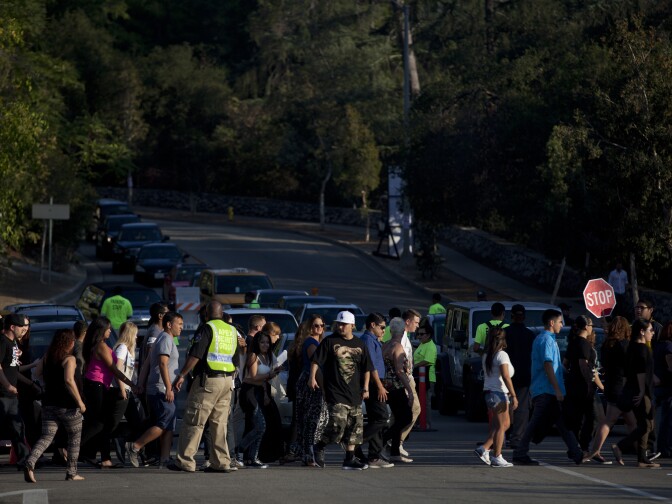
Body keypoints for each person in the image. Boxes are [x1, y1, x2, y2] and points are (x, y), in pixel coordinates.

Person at [168, 302, 239, 473]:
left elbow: (196, 355)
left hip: (208, 381)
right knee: (219, 423)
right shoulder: (231, 330)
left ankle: (185, 461)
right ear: (222, 314)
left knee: (195, 420)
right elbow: (236, 360)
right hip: (227, 381)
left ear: (207, 314)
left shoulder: (207, 328)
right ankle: (221, 462)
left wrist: (182, 375)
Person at [512, 309, 585, 465]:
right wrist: (557, 389)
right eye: (560, 321)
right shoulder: (546, 340)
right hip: (546, 390)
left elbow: (555, 365)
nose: (561, 324)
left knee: (561, 421)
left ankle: (576, 452)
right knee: (535, 423)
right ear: (551, 323)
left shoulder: (547, 339)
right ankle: (519, 452)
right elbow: (547, 364)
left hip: (548, 389)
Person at [310, 311, 374, 470]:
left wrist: (366, 387)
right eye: (339, 323)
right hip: (335, 391)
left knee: (355, 428)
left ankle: (349, 459)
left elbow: (367, 368)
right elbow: (316, 360)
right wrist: (311, 377)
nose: (340, 326)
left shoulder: (360, 344)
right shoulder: (329, 341)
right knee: (338, 425)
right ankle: (319, 446)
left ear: (352, 325)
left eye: (344, 324)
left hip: (354, 393)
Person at [23, 329, 86, 483]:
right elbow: (69, 381)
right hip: (68, 405)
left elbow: (36, 373)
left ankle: (30, 461)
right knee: (74, 438)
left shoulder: (47, 357)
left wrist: (48, 384)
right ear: (70, 342)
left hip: (49, 403)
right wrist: (80, 401)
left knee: (46, 436)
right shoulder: (69, 359)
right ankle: (71, 472)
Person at [79, 317, 137, 468]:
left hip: (97, 385)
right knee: (98, 423)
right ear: (101, 330)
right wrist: (130, 384)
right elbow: (114, 369)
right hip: (95, 385)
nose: (111, 331)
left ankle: (102, 458)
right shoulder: (101, 346)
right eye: (108, 329)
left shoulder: (97, 345)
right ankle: (73, 446)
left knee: (100, 423)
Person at [128, 312, 182, 467]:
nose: (181, 328)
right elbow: (163, 364)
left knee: (169, 424)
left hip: (163, 387)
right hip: (161, 388)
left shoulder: (164, 338)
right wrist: (169, 388)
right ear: (169, 324)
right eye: (179, 324)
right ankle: (135, 446)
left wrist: (141, 383)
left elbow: (146, 364)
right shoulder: (165, 338)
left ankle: (164, 458)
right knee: (164, 422)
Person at [586, 316, 637, 462]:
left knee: (631, 422)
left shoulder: (606, 345)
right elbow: (629, 367)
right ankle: (595, 451)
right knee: (610, 421)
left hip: (610, 385)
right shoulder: (624, 345)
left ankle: (641, 452)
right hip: (621, 386)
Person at [610, 319, 658, 468]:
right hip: (641, 392)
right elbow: (640, 371)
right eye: (650, 330)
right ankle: (621, 447)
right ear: (642, 332)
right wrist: (642, 390)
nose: (653, 333)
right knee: (646, 425)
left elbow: (628, 372)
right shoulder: (642, 349)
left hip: (633, 389)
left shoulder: (631, 347)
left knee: (645, 424)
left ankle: (642, 459)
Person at [288, 316, 329, 466]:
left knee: (309, 420)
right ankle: (310, 455)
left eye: (321, 325)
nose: (319, 328)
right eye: (315, 325)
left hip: (308, 383)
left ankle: (307, 454)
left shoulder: (316, 342)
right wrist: (324, 388)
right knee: (313, 420)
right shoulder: (311, 343)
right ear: (309, 327)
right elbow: (316, 366)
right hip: (311, 384)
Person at [475, 327, 517, 467]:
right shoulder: (501, 355)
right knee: (502, 425)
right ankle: (497, 456)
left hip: (490, 393)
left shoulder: (487, 355)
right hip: (498, 393)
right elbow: (506, 376)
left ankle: (484, 448)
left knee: (499, 425)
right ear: (503, 340)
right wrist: (514, 394)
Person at [239, 331, 280, 468]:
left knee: (255, 425)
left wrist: (267, 394)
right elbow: (253, 377)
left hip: (259, 392)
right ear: (257, 343)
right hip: (249, 393)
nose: (265, 345)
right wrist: (270, 374)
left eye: (267, 342)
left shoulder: (266, 356)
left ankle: (251, 458)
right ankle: (240, 450)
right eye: (262, 342)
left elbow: (263, 382)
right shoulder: (253, 356)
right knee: (260, 426)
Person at [358, 313, 393, 468]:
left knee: (375, 419)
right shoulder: (367, 340)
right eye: (382, 327)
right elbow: (370, 366)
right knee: (381, 417)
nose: (384, 331)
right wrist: (379, 386)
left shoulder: (374, 340)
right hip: (373, 384)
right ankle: (356, 442)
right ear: (372, 325)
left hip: (378, 383)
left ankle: (374, 456)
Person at [0, 314, 32, 467]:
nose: (24, 331)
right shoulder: (2, 341)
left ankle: (25, 460)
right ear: (12, 327)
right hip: (2, 394)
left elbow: (14, 368)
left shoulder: (13, 343)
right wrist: (7, 385)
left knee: (17, 427)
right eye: (22, 328)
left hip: (11, 395)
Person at [563, 316, 598, 452]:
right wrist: (589, 382)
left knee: (578, 418)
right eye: (591, 325)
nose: (592, 328)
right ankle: (583, 445)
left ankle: (576, 446)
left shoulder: (573, 342)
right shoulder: (583, 343)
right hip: (583, 386)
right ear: (585, 327)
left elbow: (565, 364)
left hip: (573, 384)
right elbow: (583, 364)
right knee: (592, 417)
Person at [381, 317, 414, 464]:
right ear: (402, 331)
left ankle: (394, 451)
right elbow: (400, 371)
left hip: (387, 386)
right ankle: (382, 439)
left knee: (398, 417)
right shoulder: (398, 347)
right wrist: (410, 391)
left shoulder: (385, 345)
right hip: (397, 387)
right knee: (406, 417)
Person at [503, 304, 536, 449]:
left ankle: (501, 436)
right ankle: (517, 438)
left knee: (505, 406)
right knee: (522, 408)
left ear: (511, 316)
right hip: (523, 376)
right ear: (524, 317)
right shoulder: (530, 335)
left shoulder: (505, 333)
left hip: (505, 375)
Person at [111, 322, 144, 451]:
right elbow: (117, 369)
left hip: (127, 390)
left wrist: (133, 386)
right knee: (113, 423)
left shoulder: (128, 350)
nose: (136, 337)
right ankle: (119, 439)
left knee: (136, 422)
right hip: (121, 391)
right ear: (130, 335)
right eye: (135, 334)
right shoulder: (122, 348)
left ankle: (124, 441)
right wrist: (122, 388)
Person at [398, 309, 422, 456]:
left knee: (405, 411)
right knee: (414, 409)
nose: (417, 326)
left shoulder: (405, 336)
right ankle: (396, 440)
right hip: (405, 379)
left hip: (408, 377)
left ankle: (395, 441)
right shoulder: (401, 338)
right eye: (416, 322)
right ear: (407, 322)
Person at [413, 318, 437, 430]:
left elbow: (427, 360)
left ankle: (426, 423)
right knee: (418, 400)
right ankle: (419, 422)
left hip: (427, 377)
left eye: (422, 334)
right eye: (418, 334)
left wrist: (414, 365)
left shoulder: (431, 346)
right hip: (419, 377)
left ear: (429, 335)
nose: (419, 336)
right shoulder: (422, 344)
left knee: (426, 402)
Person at [653, 322, 672, 458]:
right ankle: (665, 448)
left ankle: (663, 447)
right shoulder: (669, 346)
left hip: (660, 386)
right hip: (668, 385)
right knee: (668, 419)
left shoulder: (659, 345)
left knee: (665, 418)